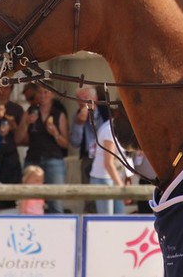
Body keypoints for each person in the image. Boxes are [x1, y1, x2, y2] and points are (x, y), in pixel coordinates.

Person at [16, 85, 69, 214]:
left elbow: (65, 143)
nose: (43, 95)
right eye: (40, 92)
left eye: (46, 92)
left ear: (52, 94)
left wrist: (55, 133)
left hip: (54, 160)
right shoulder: (30, 111)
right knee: (28, 199)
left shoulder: (58, 114)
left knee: (55, 201)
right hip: (33, 159)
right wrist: (26, 123)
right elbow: (18, 139)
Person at [88, 105, 131, 215]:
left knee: (119, 218)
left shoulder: (114, 127)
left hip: (112, 178)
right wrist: (122, 189)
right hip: (103, 179)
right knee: (106, 220)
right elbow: (108, 163)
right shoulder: (109, 130)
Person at [69, 85, 105, 213]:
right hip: (88, 159)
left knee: (106, 194)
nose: (83, 103)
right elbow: (74, 143)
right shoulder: (77, 116)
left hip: (106, 159)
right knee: (89, 196)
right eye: (80, 99)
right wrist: (79, 124)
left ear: (95, 98)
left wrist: (91, 118)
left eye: (86, 98)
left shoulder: (104, 113)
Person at [0, 84, 24, 210]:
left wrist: (14, 127)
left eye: (6, 88)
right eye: (0, 87)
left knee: (11, 191)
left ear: (11, 90)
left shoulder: (16, 109)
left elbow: (22, 138)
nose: (3, 91)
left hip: (10, 154)